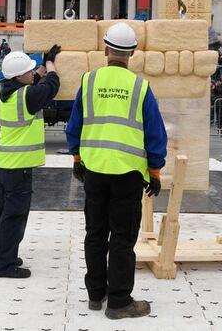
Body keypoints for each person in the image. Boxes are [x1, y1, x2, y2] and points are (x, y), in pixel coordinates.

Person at [67, 22, 167, 319]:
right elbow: (154, 134)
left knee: (95, 233)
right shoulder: (141, 87)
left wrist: (76, 159)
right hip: (128, 175)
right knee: (122, 239)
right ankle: (119, 301)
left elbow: (75, 125)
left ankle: (96, 295)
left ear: (106, 49)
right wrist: (156, 172)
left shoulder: (88, 81)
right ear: (133, 53)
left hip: (94, 170)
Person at [0, 46, 61, 279]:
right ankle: (5, 266)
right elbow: (51, 86)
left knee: (3, 212)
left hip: (7, 163)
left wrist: (41, 65)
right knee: (14, 216)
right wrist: (51, 65)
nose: (33, 73)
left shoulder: (9, 92)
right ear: (19, 76)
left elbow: (36, 83)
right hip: (18, 167)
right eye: (29, 71)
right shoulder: (26, 96)